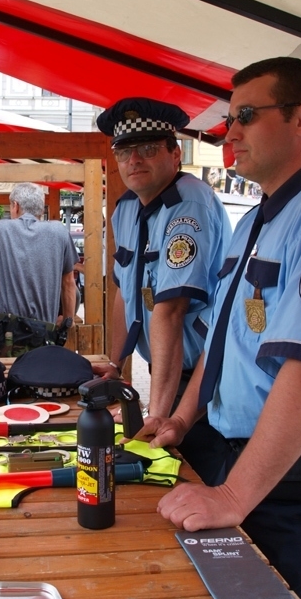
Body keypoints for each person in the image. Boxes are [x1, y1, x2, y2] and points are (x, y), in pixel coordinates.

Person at [136, 57, 301, 599]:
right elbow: (222, 342)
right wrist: (181, 419)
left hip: (300, 479)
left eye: (247, 116)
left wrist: (232, 496)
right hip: (235, 456)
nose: (230, 133)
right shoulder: (257, 220)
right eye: (229, 119)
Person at [94, 98, 232, 419]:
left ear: (175, 153)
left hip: (206, 377)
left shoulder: (189, 203)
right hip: (167, 371)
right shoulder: (127, 207)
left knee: (180, 450)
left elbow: (170, 311)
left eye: (148, 149)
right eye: (124, 152)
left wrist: (157, 416)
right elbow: (124, 292)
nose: (134, 160)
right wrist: (116, 364)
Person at [0, 182, 78, 342]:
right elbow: (68, 282)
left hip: (7, 336)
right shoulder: (59, 232)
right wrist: (68, 319)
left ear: (15, 206)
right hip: (45, 335)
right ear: (41, 209)